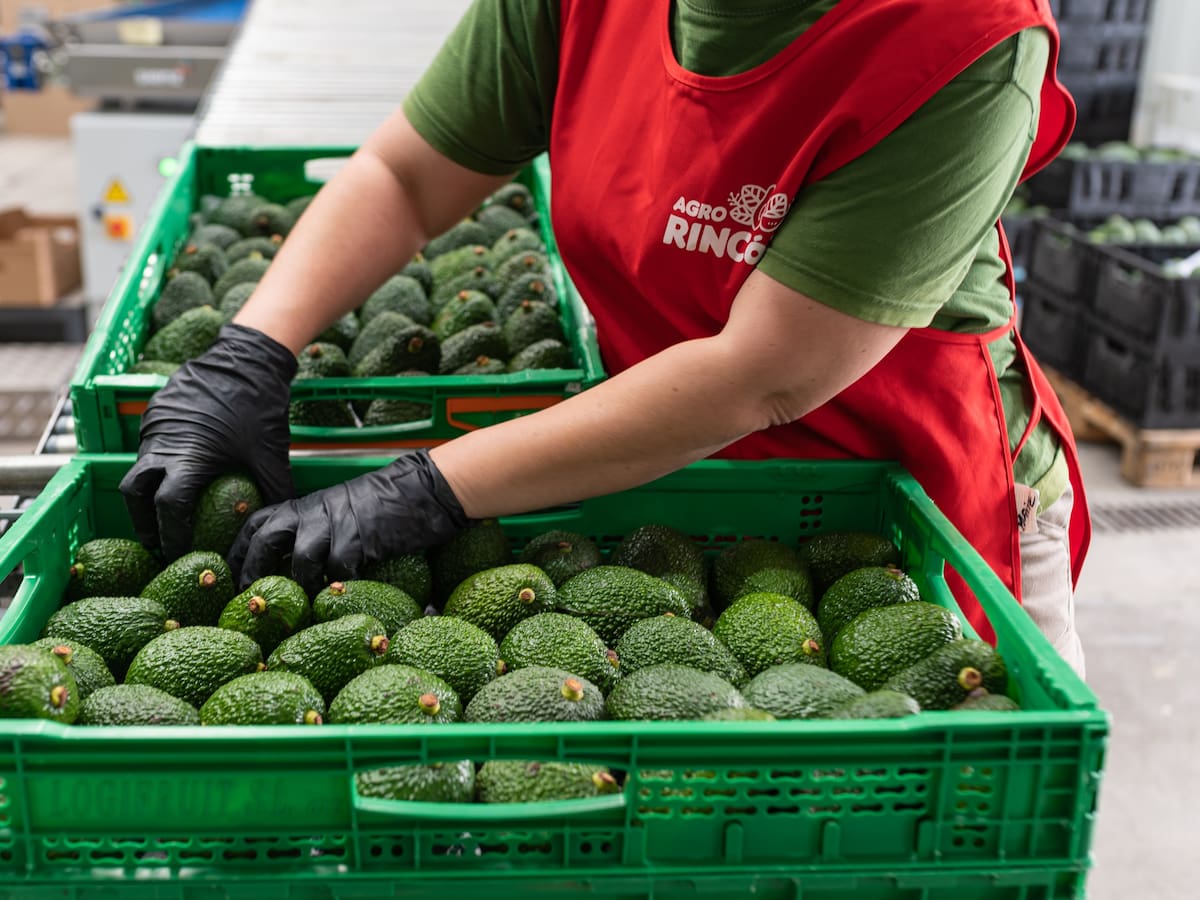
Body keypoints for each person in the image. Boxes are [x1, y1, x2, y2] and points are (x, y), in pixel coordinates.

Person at [120, 0, 1089, 676]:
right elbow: (409, 175)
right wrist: (250, 350)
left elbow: (764, 377)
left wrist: (431, 483)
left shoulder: (964, 36)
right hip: (657, 479)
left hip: (890, 504)